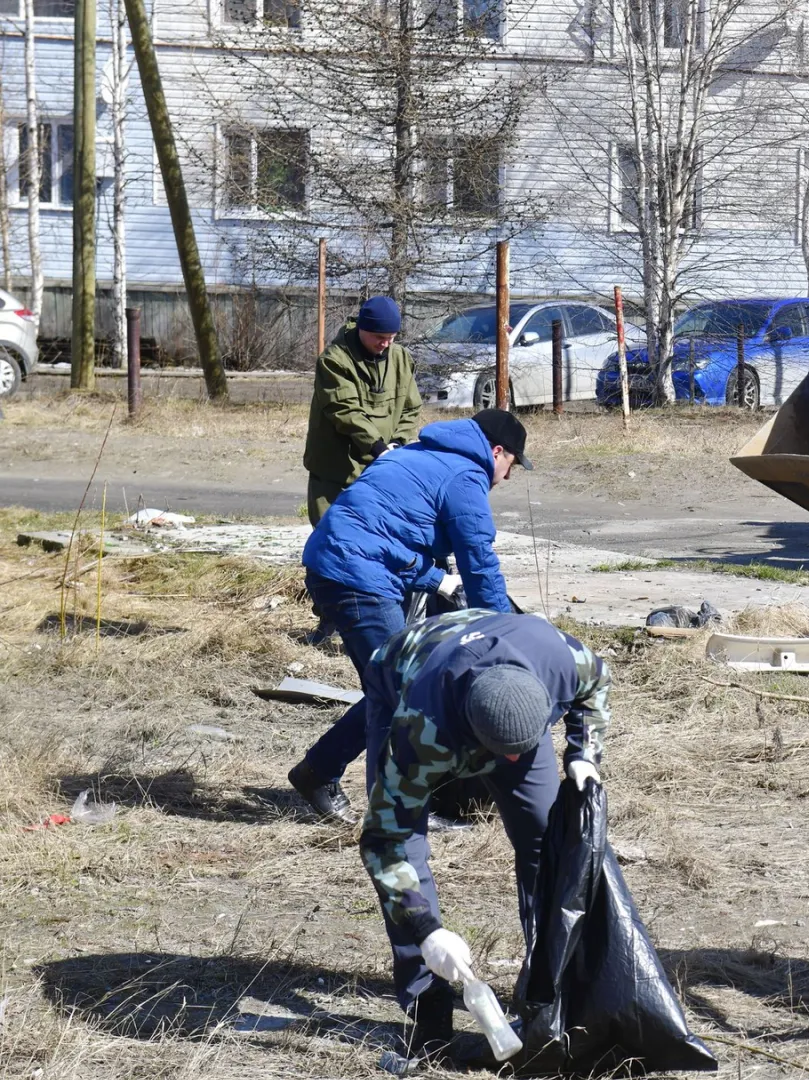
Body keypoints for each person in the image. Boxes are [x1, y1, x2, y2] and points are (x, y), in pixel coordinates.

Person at [356, 609, 609, 1061]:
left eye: (522, 750)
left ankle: (548, 990)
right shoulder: (421, 730)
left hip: (504, 657)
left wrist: (583, 751)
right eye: (499, 753)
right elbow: (387, 840)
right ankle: (428, 1007)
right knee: (407, 842)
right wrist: (427, 929)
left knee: (547, 837)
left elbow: (597, 683)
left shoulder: (562, 661)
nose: (511, 764)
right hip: (403, 668)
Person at [287, 409, 531, 821]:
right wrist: (502, 632)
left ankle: (319, 772)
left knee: (393, 687)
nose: (507, 477)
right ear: (497, 451)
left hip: (339, 564)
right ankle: (394, 812)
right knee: (407, 692)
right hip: (357, 577)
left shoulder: (420, 454)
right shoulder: (465, 476)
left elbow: (384, 532)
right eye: (511, 465)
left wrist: (435, 578)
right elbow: (480, 563)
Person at [304, 295, 421, 523]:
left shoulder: (401, 358)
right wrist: (377, 446)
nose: (386, 344)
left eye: (391, 338)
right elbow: (345, 411)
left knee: (374, 537)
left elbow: (411, 406)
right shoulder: (334, 361)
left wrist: (398, 441)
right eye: (379, 337)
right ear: (362, 328)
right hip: (336, 470)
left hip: (380, 467)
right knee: (333, 538)